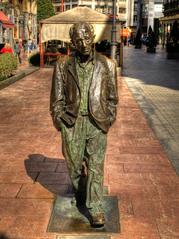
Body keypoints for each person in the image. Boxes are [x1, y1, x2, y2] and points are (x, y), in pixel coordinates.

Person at [50, 22, 118, 227]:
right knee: (73, 165)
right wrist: (60, 121)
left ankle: (95, 207)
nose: (84, 43)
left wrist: (109, 118)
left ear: (93, 36)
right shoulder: (63, 64)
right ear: (72, 42)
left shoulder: (107, 64)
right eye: (78, 40)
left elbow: (113, 98)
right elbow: (56, 99)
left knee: (96, 166)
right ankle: (81, 190)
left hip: (97, 122)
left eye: (87, 37)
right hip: (72, 121)